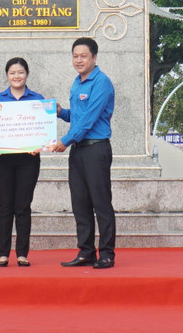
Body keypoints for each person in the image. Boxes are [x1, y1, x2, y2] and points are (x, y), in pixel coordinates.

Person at [45, 37, 116, 269]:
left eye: (83, 56)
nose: (79, 60)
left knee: (101, 203)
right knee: (80, 204)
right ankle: (86, 252)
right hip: (78, 151)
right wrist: (60, 112)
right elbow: (77, 115)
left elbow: (88, 119)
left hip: (96, 149)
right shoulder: (77, 83)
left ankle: (106, 254)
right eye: (75, 56)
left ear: (94, 58)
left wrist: (64, 140)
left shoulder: (101, 82)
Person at [0, 57, 46, 267]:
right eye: (12, 73)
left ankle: (22, 253)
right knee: (5, 206)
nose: (16, 76)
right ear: (7, 76)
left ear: (27, 75)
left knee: (23, 206)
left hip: (28, 160)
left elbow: (43, 130)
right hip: (2, 159)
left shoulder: (38, 100)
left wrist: (40, 143)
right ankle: (3, 253)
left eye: (20, 72)